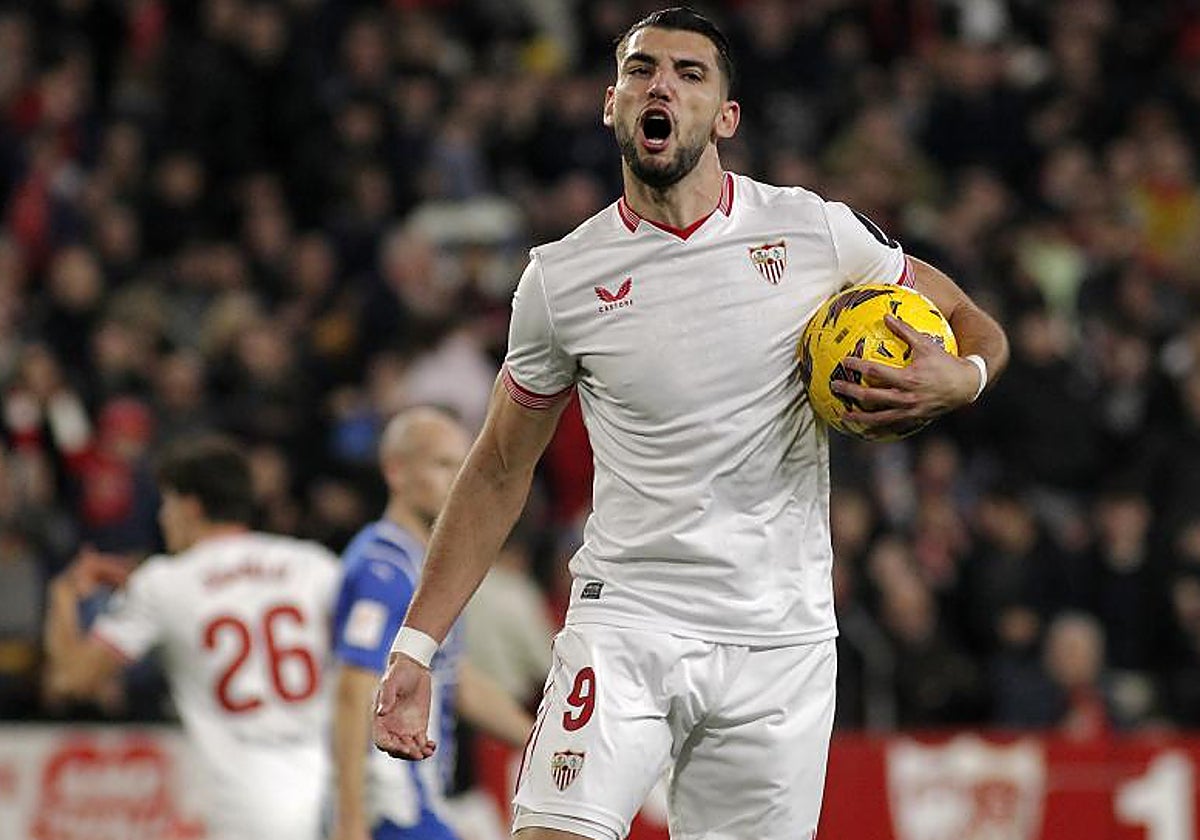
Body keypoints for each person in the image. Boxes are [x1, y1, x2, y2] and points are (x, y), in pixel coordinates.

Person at [373, 7, 1010, 840]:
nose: (661, 86)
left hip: (780, 641)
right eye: (641, 70)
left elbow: (969, 321)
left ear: (726, 116)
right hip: (627, 621)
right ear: (611, 104)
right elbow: (497, 467)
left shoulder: (814, 232)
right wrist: (416, 646)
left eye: (689, 73)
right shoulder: (560, 281)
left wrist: (963, 379)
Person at [43, 435, 341, 840]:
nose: (162, 517)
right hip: (332, 793)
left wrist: (62, 596)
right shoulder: (315, 564)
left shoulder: (163, 584)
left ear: (191, 506)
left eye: (166, 503)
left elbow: (72, 680)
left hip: (248, 807)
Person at [331, 407, 534, 840]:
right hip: (391, 803)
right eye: (442, 464)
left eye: (463, 465)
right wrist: (350, 820)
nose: (457, 479)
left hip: (423, 798)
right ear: (396, 471)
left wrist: (539, 741)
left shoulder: (426, 569)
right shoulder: (382, 567)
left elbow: (456, 680)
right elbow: (353, 689)